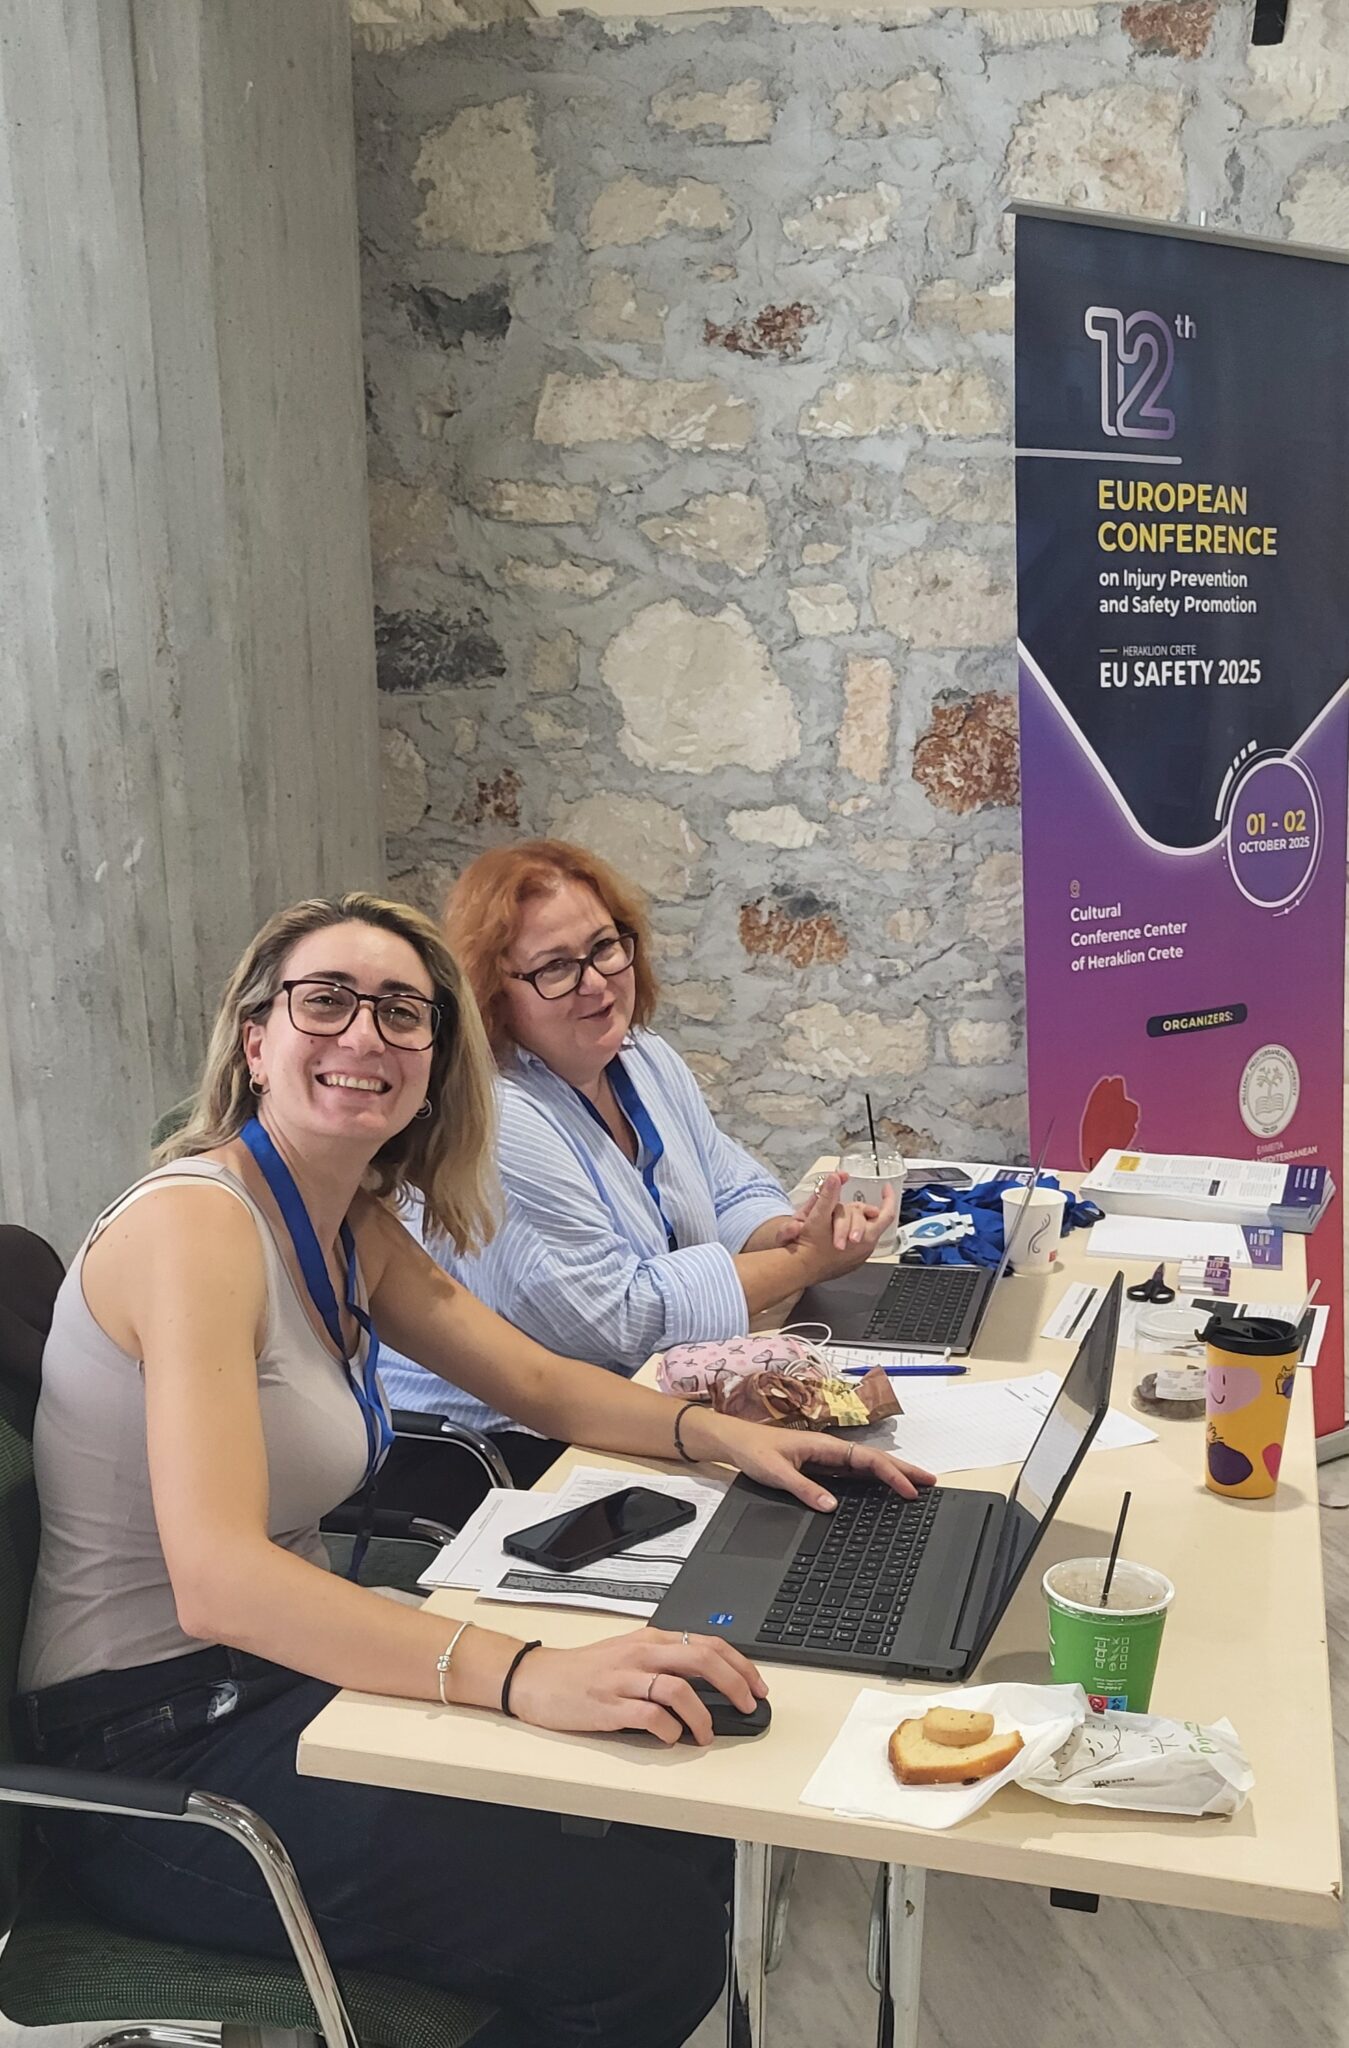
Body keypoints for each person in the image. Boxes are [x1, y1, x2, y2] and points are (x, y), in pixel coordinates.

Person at [17, 890, 931, 2048]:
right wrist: (524, 1673)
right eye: (326, 1000)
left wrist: (721, 1435)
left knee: (681, 1806)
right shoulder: (193, 1226)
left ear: (435, 1061)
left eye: (402, 1011)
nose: (364, 1033)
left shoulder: (346, 1221)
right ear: (255, 1041)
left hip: (286, 1677)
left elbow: (537, 1380)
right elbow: (219, 1580)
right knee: (639, 1943)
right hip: (158, 1755)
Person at [377, 840, 896, 1523]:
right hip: (492, 1449)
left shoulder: (642, 1057)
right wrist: (804, 1263)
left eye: (604, 948)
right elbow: (616, 1321)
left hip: (639, 1399)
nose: (595, 982)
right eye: (555, 967)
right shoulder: (499, 1115)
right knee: (802, 1517)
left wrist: (792, 1231)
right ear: (492, 991)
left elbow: (728, 1185)